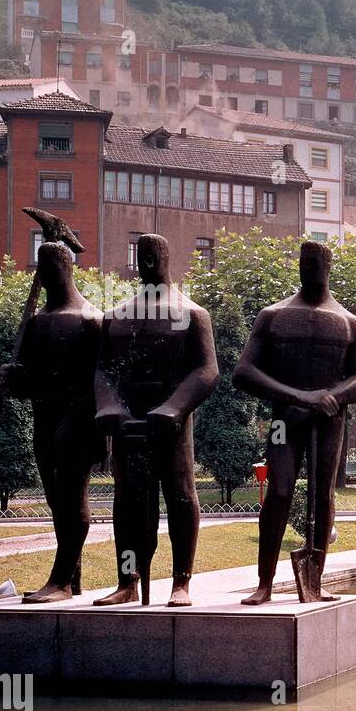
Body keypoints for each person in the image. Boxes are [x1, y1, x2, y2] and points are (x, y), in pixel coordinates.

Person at [233, 241, 356, 605]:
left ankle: (316, 577)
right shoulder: (274, 315)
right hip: (286, 420)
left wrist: (333, 396)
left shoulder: (348, 322)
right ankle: (264, 582)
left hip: (329, 421)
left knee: (322, 495)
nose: (308, 268)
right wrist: (297, 396)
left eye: (315, 262)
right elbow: (244, 372)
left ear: (328, 265)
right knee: (279, 493)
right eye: (303, 262)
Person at [92, 234, 217, 607]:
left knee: (179, 496)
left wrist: (175, 408)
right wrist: (110, 407)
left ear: (165, 259)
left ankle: (182, 581)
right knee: (128, 501)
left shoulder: (192, 314)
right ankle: (127, 580)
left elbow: (206, 370)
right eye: (141, 257)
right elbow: (103, 371)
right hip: (129, 427)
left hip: (172, 428)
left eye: (152, 257)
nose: (147, 263)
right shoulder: (114, 318)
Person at [0, 242, 102, 603]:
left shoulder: (92, 320)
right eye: (41, 268)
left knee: (72, 497)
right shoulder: (36, 323)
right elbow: (31, 381)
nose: (46, 275)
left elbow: (102, 380)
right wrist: (15, 379)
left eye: (52, 266)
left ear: (68, 267)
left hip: (80, 417)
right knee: (58, 500)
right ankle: (72, 579)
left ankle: (59, 580)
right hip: (45, 417)